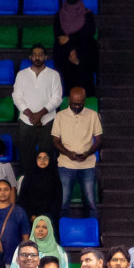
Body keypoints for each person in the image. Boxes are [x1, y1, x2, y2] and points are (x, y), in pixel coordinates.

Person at [52, 87, 102, 218]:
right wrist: (68, 153)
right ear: (69, 100)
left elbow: (99, 140)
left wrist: (88, 153)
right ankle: (60, 234)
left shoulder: (92, 115)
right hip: (65, 164)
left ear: (85, 101)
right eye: (74, 103)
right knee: (63, 203)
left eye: (80, 104)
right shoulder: (60, 116)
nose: (76, 106)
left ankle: (93, 231)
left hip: (88, 165)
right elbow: (55, 141)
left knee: (91, 203)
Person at [11, 44, 64, 162]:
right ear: (30, 57)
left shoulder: (53, 75)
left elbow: (57, 98)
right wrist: (32, 116)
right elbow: (16, 97)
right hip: (26, 121)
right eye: (35, 55)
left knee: (47, 155)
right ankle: (28, 180)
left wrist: (40, 114)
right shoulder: (22, 74)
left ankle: (45, 180)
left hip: (48, 121)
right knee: (26, 155)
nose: (37, 57)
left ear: (45, 57)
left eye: (40, 55)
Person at [54, 0, 99, 97]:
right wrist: (72, 50)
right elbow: (60, 37)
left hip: (84, 56)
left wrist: (70, 37)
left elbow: (89, 32)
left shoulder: (87, 14)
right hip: (66, 56)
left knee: (85, 85)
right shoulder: (59, 15)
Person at [16, 150, 62, 225]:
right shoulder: (29, 176)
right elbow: (22, 198)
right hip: (31, 217)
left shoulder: (54, 177)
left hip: (50, 218)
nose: (42, 160)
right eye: (39, 158)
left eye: (45, 158)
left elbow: (58, 200)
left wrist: (47, 217)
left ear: (49, 160)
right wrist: (31, 216)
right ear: (35, 160)